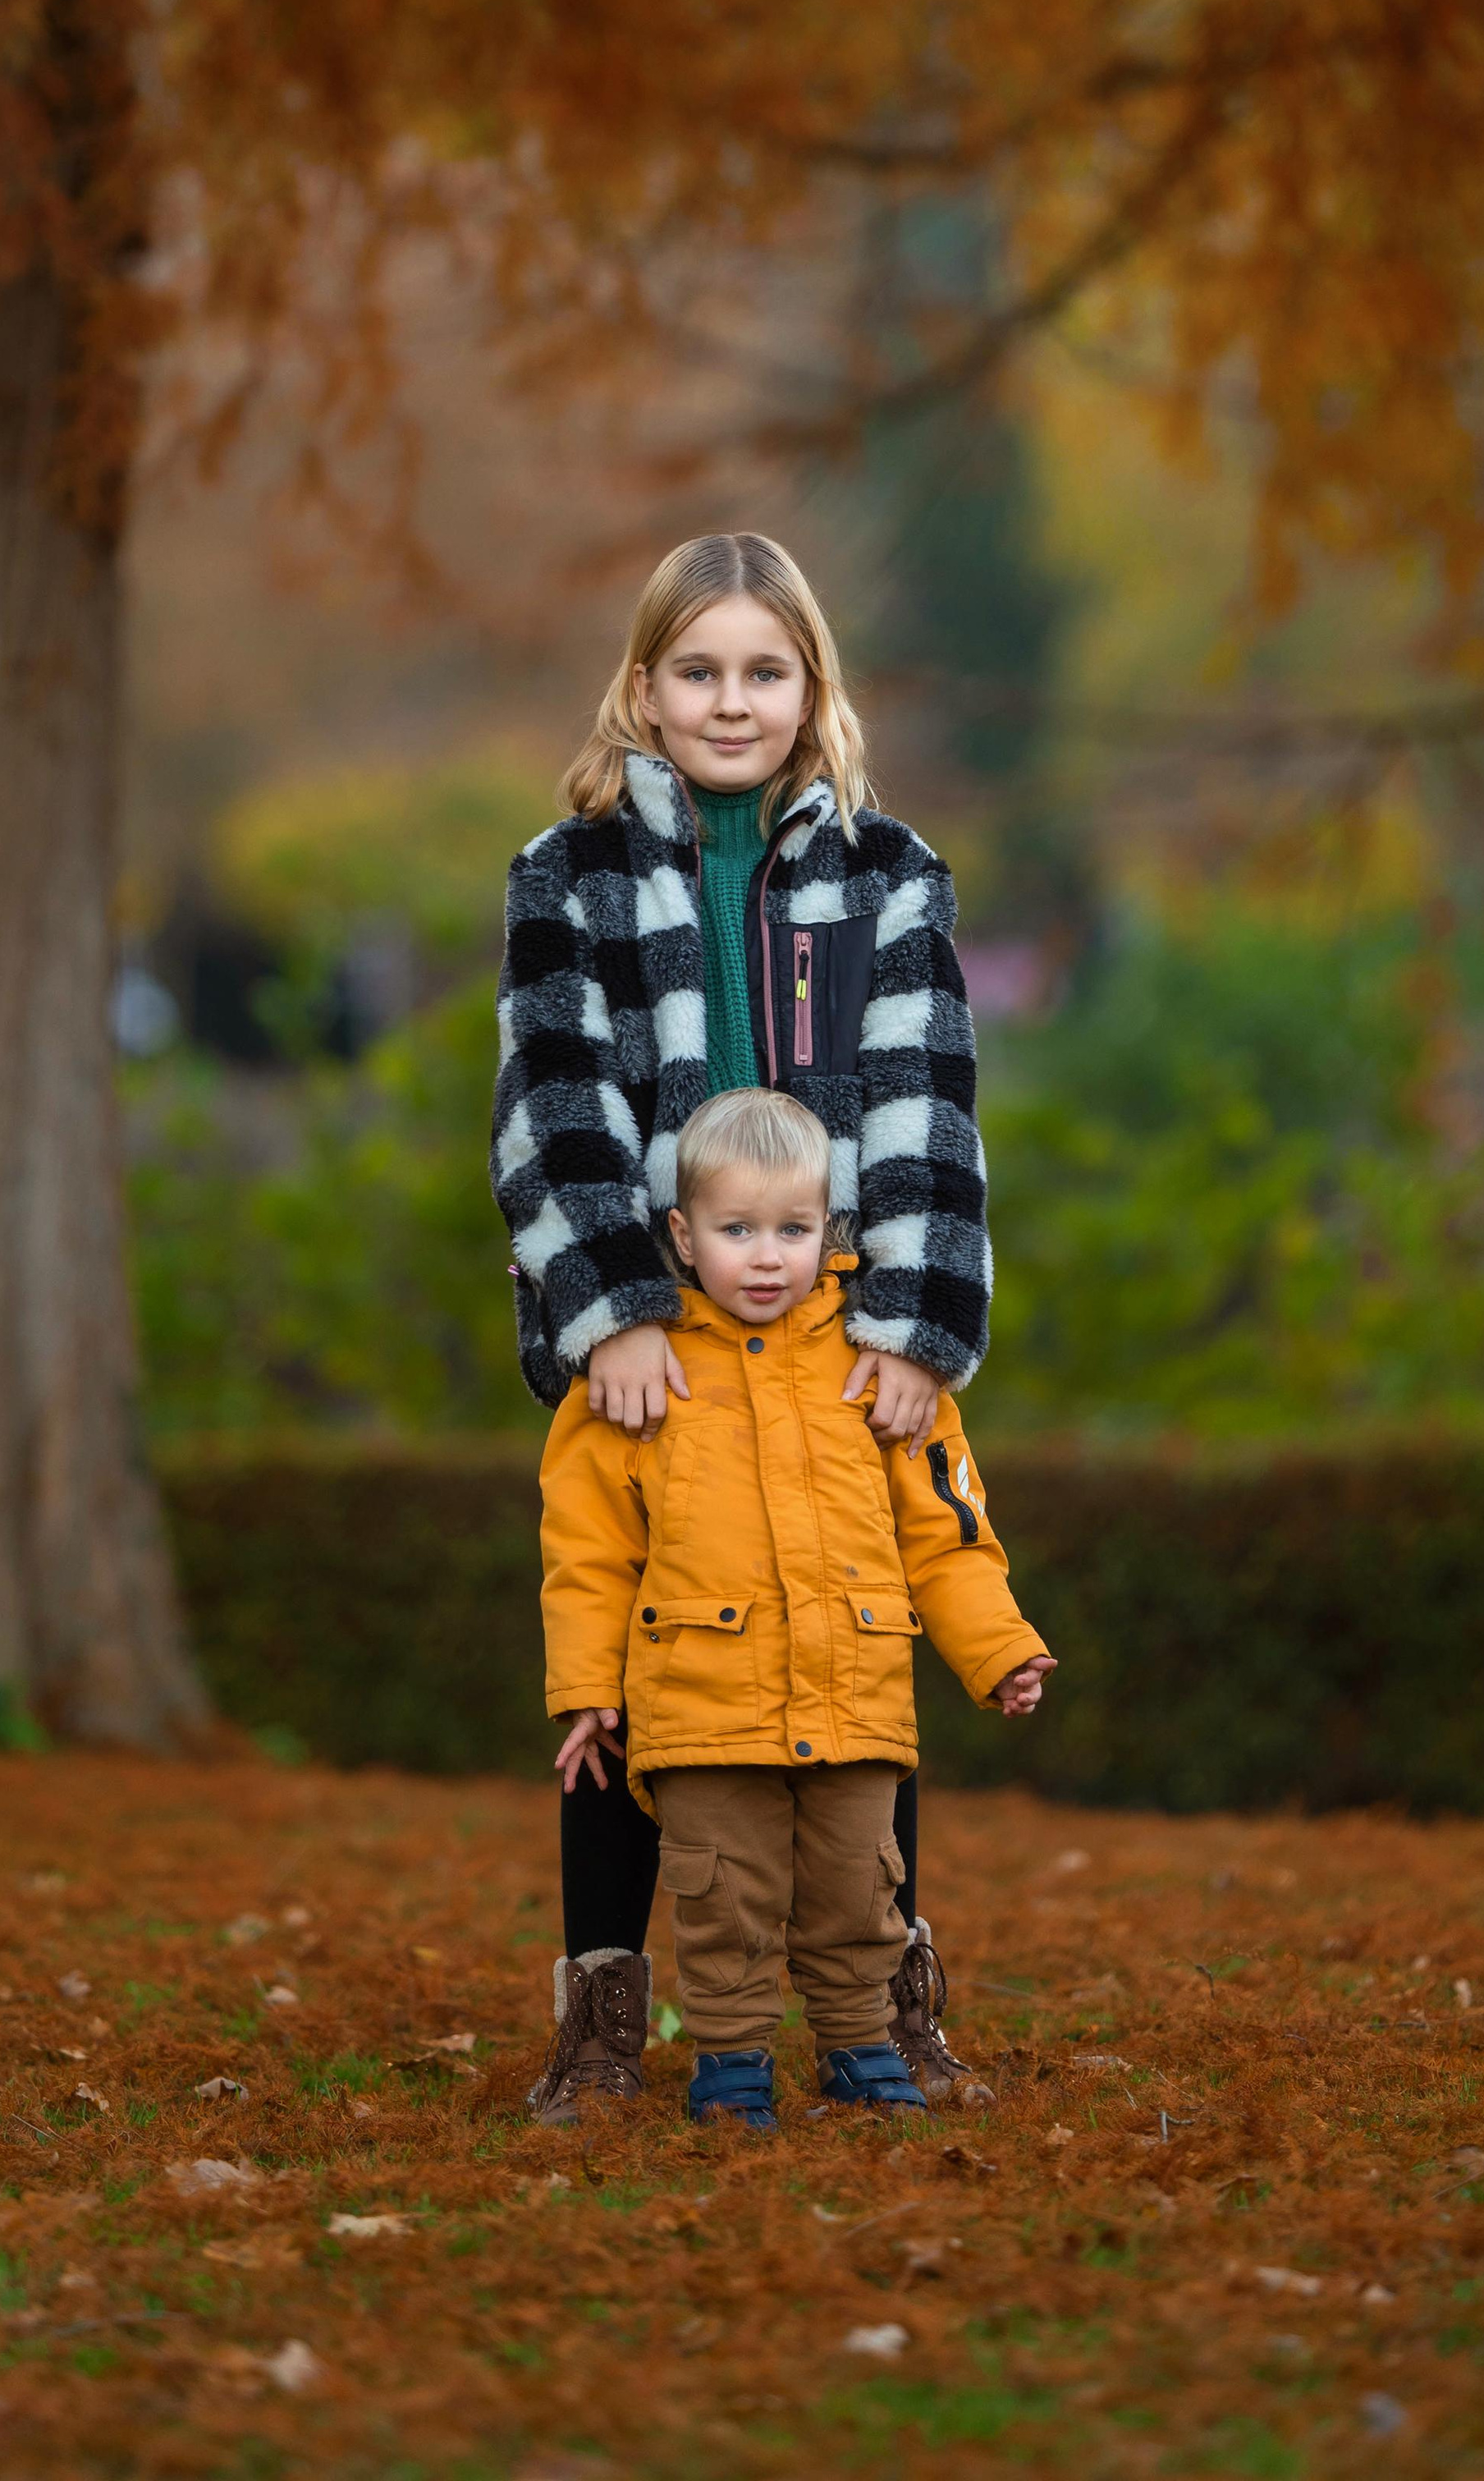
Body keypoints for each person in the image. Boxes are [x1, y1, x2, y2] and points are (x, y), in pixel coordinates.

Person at [491, 530, 998, 2121]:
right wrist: (612, 1318)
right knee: (635, 1660)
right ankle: (601, 2007)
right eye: (696, 670)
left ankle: (884, 1995)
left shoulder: (883, 875)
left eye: (761, 671)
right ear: (642, 688)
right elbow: (552, 1106)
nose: (729, 700)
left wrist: (911, 1328)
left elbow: (924, 1105)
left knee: (854, 1639)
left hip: (828, 1323)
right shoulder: (563, 875)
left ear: (809, 689)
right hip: (652, 1337)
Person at [538, 1090, 1052, 2130]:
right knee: (724, 1898)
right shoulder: (640, 1378)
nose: (766, 1257)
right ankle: (730, 2064)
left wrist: (997, 1647)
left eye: (793, 1229)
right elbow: (588, 1552)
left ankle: (862, 2048)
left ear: (834, 1229)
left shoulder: (880, 1373)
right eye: (736, 1231)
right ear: (682, 1237)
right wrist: (588, 1686)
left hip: (854, 1692)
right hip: (702, 1706)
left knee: (858, 1892)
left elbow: (945, 1530)